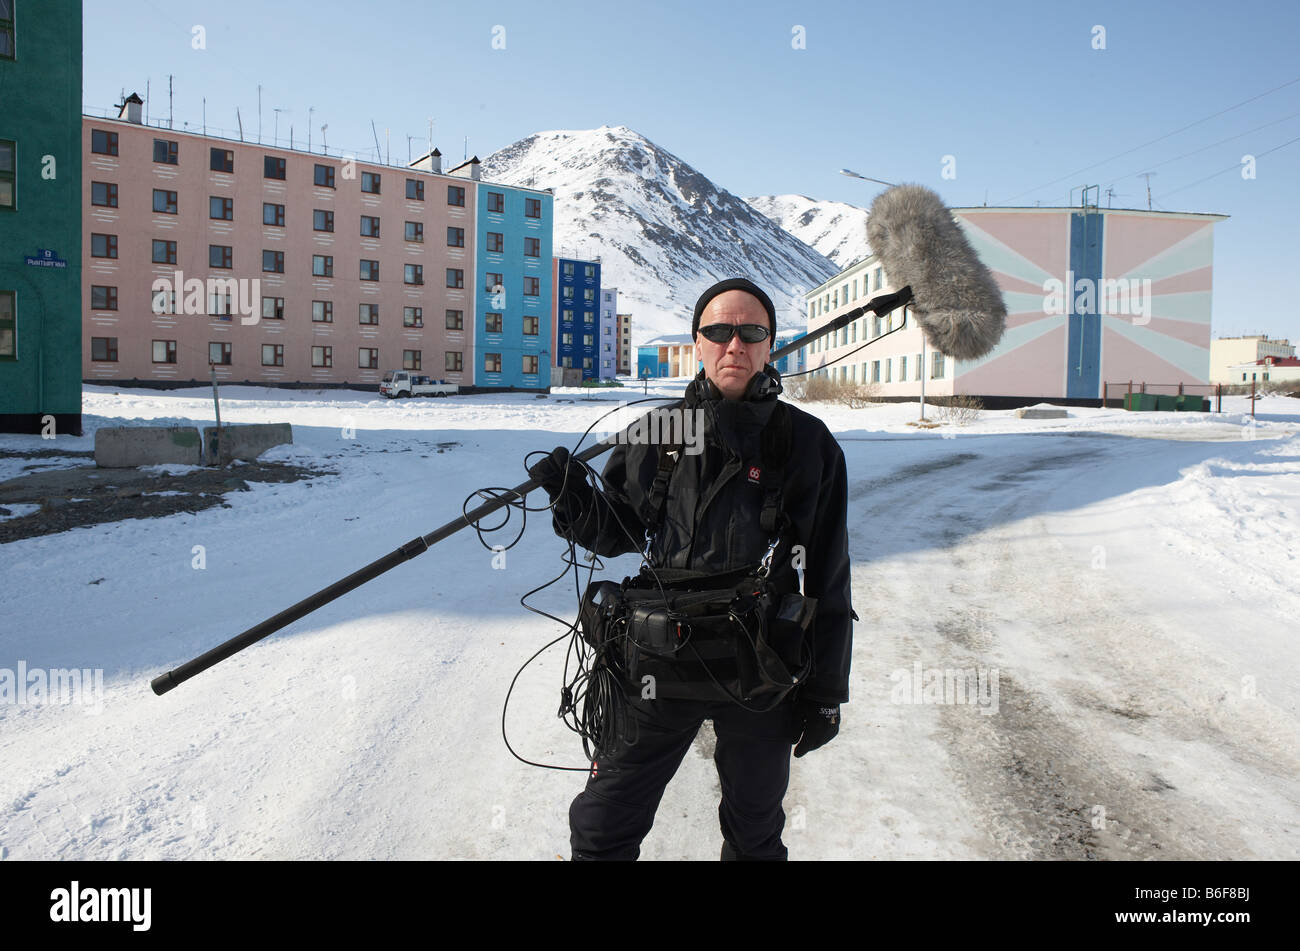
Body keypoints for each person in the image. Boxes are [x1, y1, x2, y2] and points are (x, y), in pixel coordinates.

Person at [528, 277, 854, 860]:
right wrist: (572, 497)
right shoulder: (657, 432)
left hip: (760, 669)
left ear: (769, 344)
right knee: (602, 827)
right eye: (720, 332)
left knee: (756, 834)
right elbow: (612, 530)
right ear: (698, 344)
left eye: (751, 332)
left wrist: (827, 688)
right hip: (656, 662)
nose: (736, 345)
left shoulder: (807, 443)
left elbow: (828, 572)